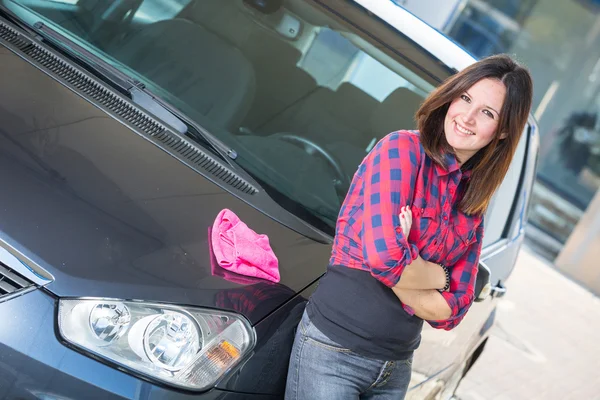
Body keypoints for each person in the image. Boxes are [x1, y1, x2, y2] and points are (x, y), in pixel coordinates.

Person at [284, 54, 533, 400]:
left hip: (394, 370)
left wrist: (410, 265)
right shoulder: (402, 151)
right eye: (465, 98)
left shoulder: (473, 202)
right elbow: (386, 259)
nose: (468, 117)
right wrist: (439, 274)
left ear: (503, 131)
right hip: (334, 351)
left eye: (487, 113)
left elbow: (453, 310)